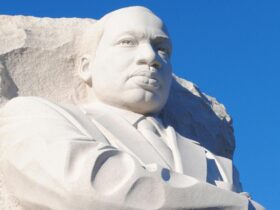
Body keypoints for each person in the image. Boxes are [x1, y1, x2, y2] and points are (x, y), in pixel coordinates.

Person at [0, 6, 264, 210]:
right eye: (127, 42)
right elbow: (85, 187)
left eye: (162, 49)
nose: (150, 58)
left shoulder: (216, 164)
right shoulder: (32, 114)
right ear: (86, 66)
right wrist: (237, 204)